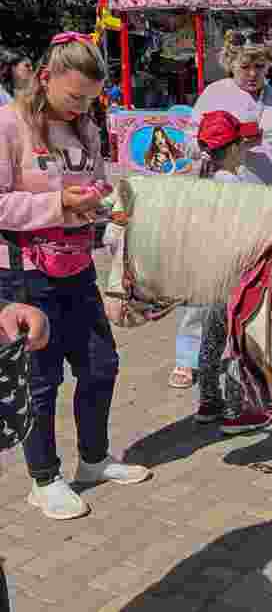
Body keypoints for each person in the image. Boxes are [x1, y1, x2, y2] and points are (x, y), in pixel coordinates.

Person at [0, 32, 151, 520]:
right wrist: (58, 203)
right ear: (45, 78)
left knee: (100, 365)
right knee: (41, 381)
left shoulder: (84, 126)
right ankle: (44, 479)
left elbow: (93, 184)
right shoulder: (9, 125)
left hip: (77, 265)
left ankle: (93, 460)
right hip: (26, 275)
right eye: (74, 96)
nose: (81, 107)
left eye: (90, 98)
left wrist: (105, 206)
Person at [192, 110, 272, 434]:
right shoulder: (235, 186)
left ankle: (208, 402)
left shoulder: (204, 182)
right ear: (236, 146)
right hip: (235, 275)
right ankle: (237, 410)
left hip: (209, 274)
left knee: (211, 339)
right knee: (237, 344)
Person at [191, 28, 272, 191]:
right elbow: (191, 138)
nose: (252, 73)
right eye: (245, 67)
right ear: (231, 65)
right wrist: (207, 150)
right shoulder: (215, 94)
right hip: (232, 194)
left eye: (259, 66)